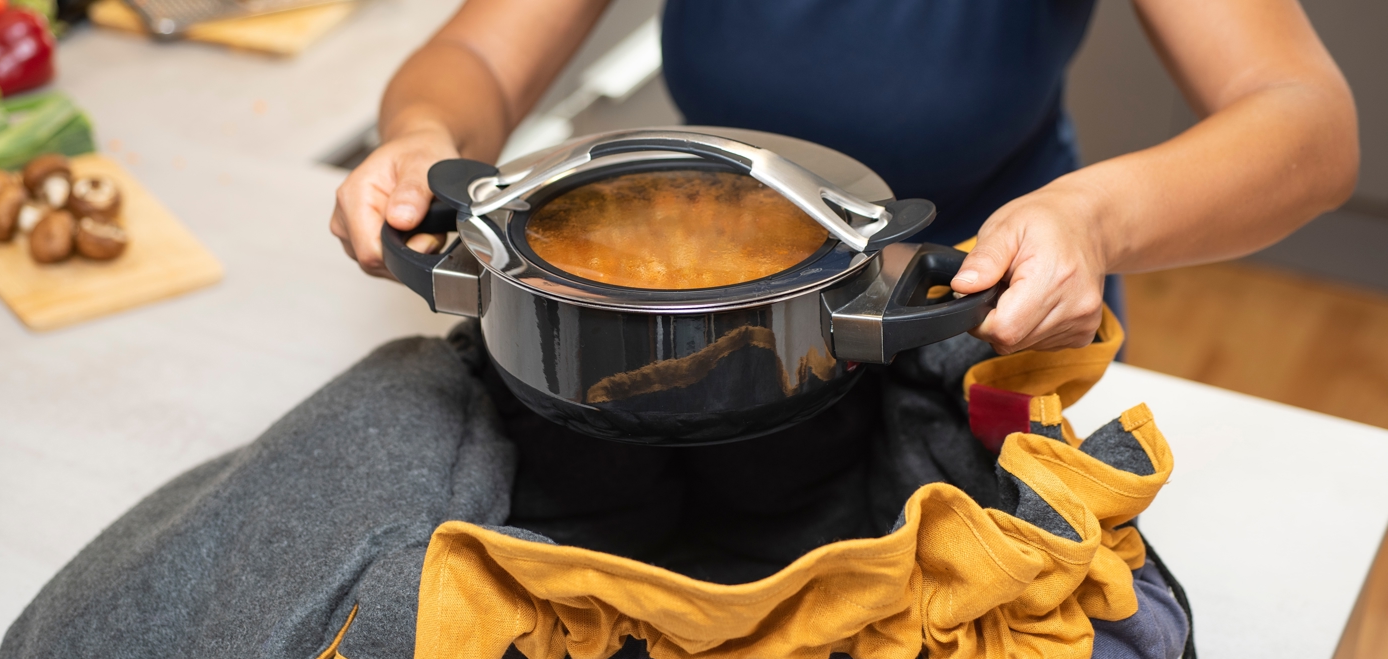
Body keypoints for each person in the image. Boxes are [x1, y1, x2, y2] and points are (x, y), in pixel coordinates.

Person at [330, 0, 1358, 356]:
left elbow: (1307, 124)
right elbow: (480, 59)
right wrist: (425, 134)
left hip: (979, 318)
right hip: (699, 326)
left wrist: (1092, 219)